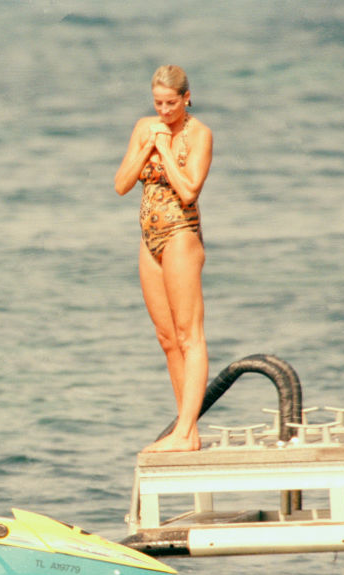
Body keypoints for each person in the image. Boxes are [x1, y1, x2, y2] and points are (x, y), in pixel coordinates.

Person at [114, 65, 213, 452]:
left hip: (181, 236)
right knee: (167, 338)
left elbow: (189, 190)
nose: (164, 110)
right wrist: (146, 144)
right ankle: (185, 433)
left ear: (186, 98)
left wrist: (163, 149)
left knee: (190, 335)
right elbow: (121, 184)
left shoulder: (199, 134)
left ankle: (186, 432)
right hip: (148, 238)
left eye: (171, 103)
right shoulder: (145, 127)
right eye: (158, 103)